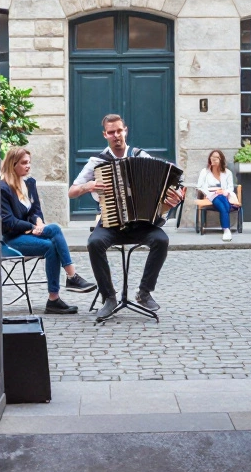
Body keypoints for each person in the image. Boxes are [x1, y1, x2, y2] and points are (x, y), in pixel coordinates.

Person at [69, 114, 184, 321]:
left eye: (119, 131)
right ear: (105, 135)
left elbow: (167, 183)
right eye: (111, 132)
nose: (116, 135)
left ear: (125, 131)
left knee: (161, 240)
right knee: (94, 243)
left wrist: (175, 197)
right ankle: (109, 298)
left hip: (141, 223)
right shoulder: (97, 161)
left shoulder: (142, 156)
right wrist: (89, 186)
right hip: (111, 222)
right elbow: (72, 191)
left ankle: (144, 292)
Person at [0, 146, 97, 315]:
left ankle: (53, 299)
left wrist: (37, 221)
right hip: (12, 239)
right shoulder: (3, 188)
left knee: (51, 246)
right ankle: (72, 277)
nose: (28, 166)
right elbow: (8, 221)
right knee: (54, 229)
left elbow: (35, 210)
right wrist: (31, 228)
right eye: (24, 163)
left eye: (29, 162)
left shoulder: (29, 183)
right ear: (12, 164)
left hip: (29, 233)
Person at [196, 149, 239, 241]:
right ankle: (226, 230)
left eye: (216, 158)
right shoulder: (205, 171)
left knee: (224, 205)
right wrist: (210, 193)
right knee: (225, 207)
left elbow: (230, 187)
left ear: (221, 160)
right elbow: (199, 186)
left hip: (223, 195)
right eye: (212, 157)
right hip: (210, 195)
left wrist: (223, 192)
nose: (213, 159)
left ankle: (226, 230)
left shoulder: (227, 172)